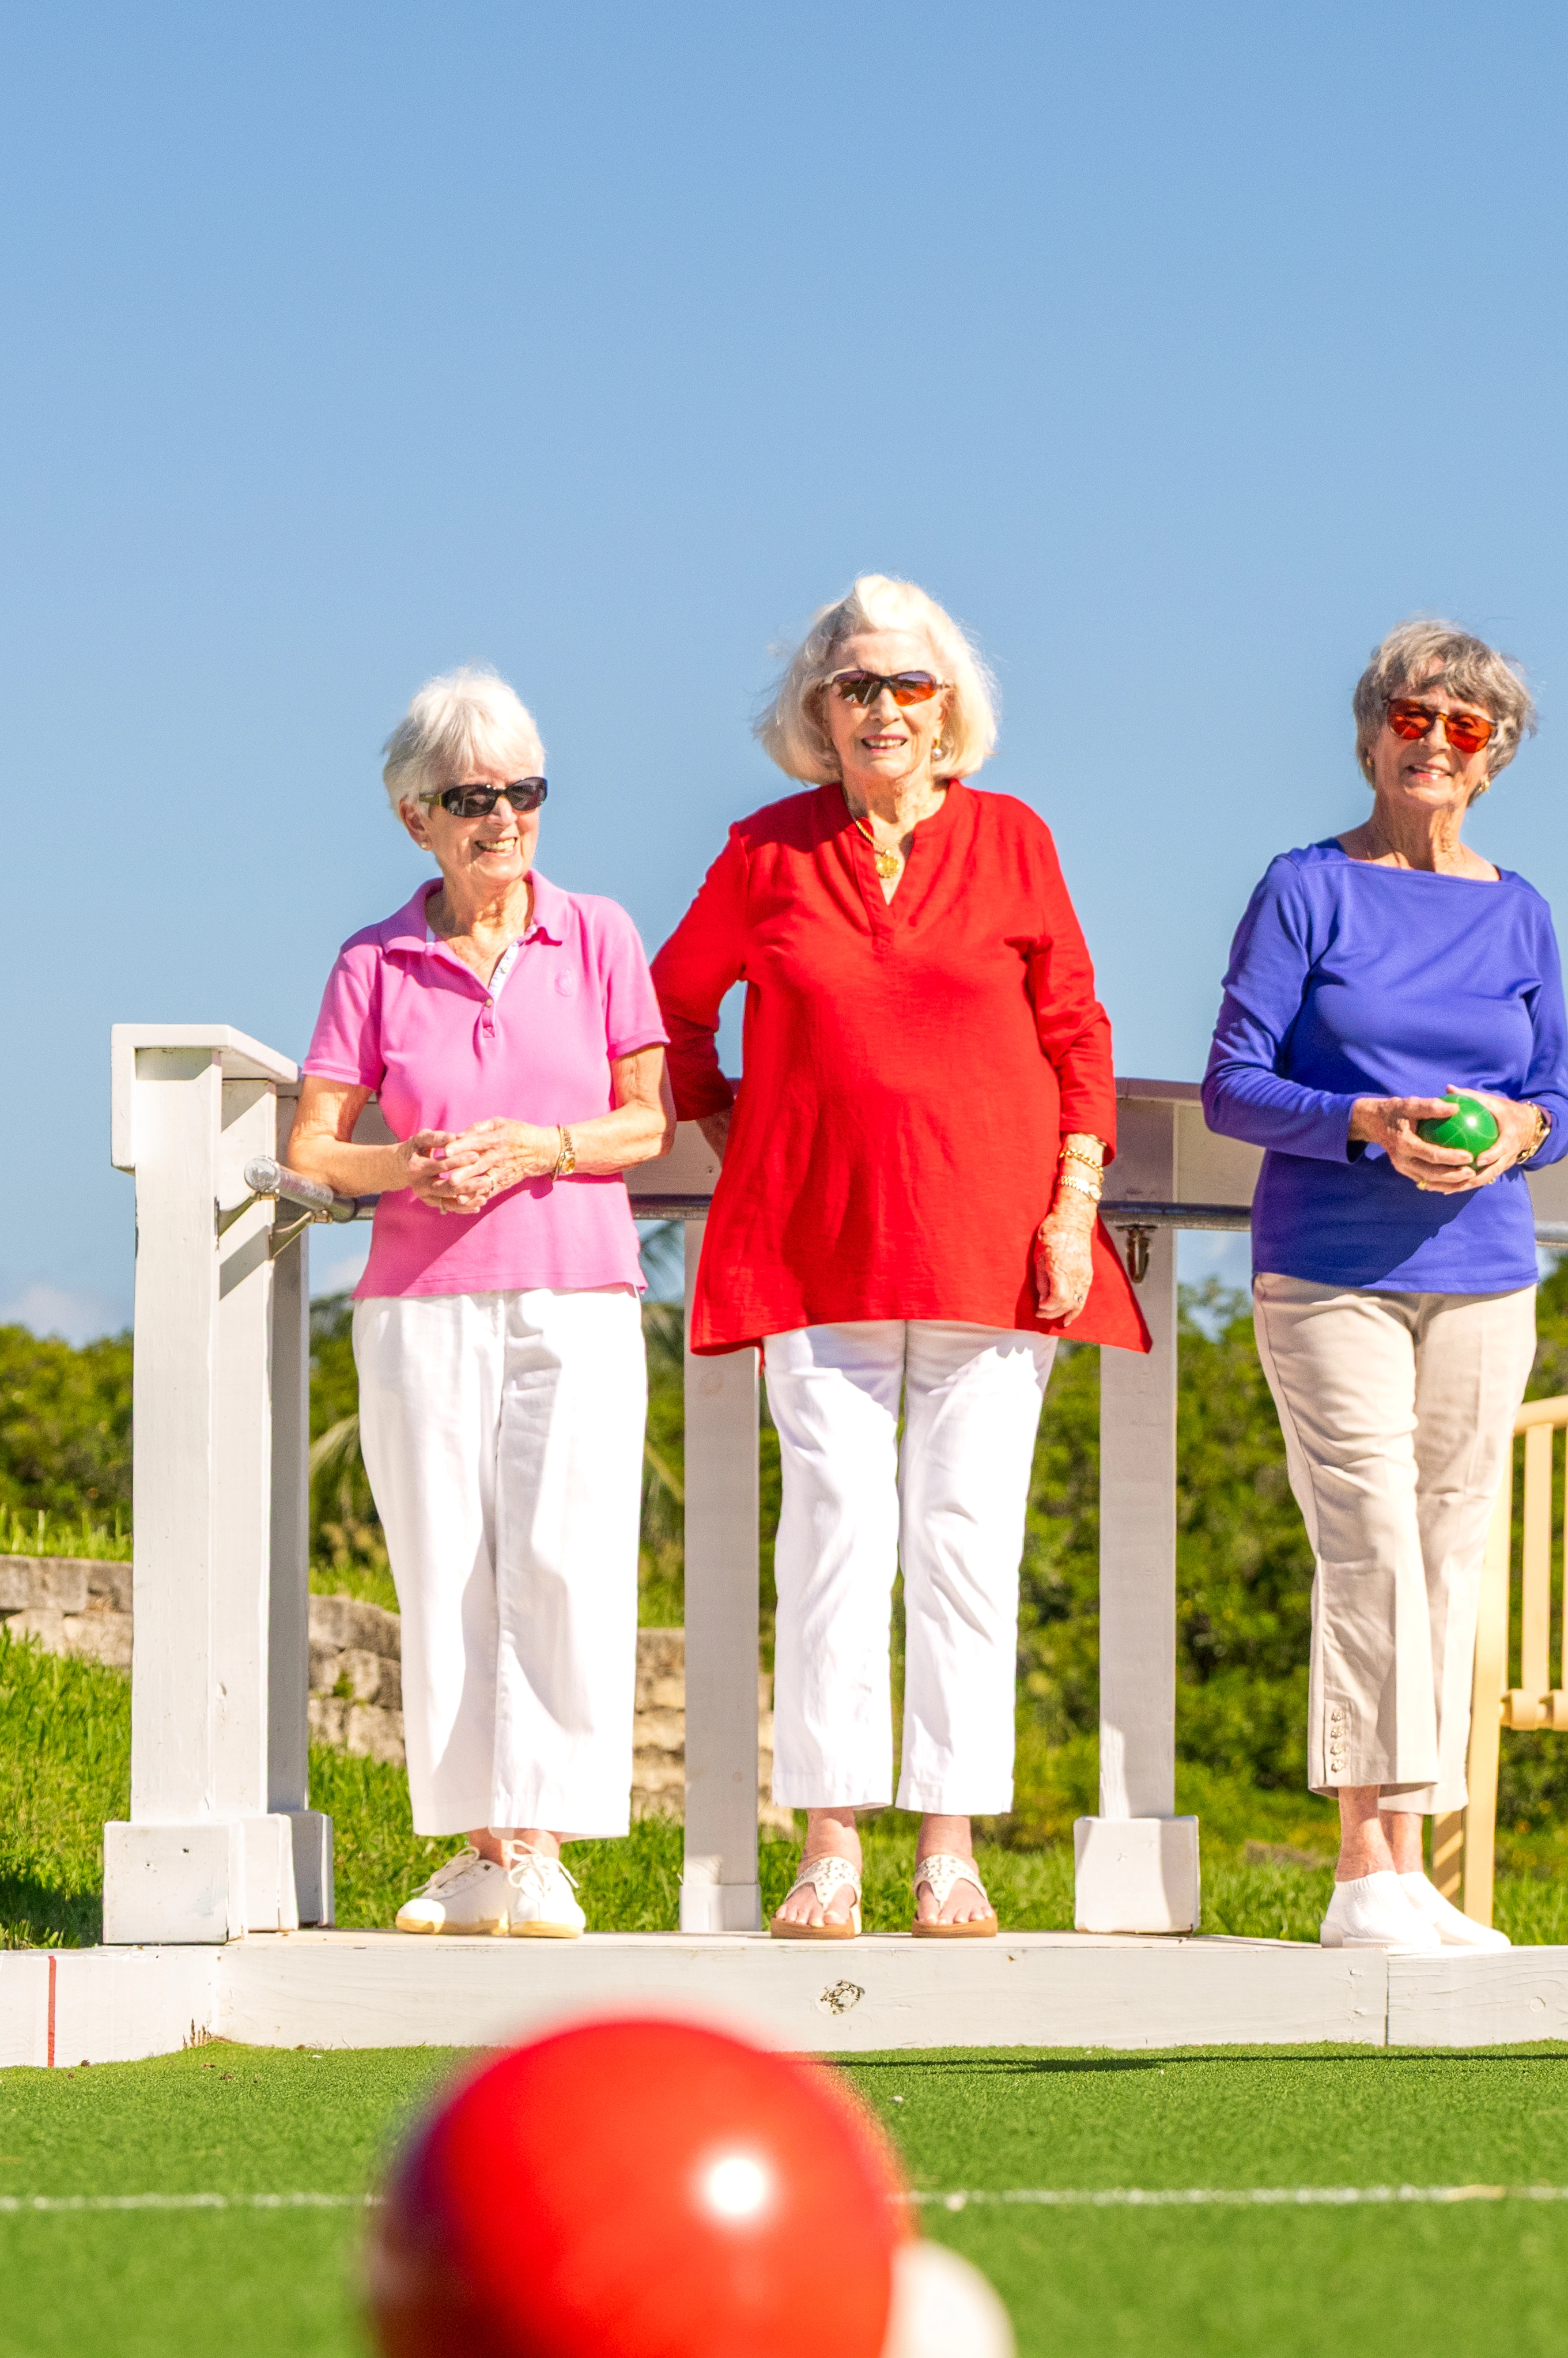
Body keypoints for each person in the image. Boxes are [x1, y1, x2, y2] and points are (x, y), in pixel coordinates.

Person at [655, 577, 1149, 1941]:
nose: (883, 708)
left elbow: (1075, 1034)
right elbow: (675, 1007)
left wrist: (1071, 1207)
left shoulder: (1013, 838)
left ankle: (948, 1843)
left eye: (907, 685)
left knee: (965, 1545)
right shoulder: (763, 852)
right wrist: (728, 1129)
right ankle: (829, 1843)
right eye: (857, 686)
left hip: (996, 1247)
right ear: (818, 708)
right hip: (814, 1252)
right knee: (831, 1540)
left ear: (950, 708)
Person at [1204, 622, 1568, 1955]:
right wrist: (1370, 1122)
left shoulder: (1519, 907)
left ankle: (1412, 1870)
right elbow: (1234, 1084)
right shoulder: (1307, 888)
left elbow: (1556, 1098)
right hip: (1328, 1270)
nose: (1433, 741)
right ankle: (1362, 1865)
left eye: (1463, 728)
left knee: (1447, 1555)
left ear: (1494, 760)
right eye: (1411, 717)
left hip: (1483, 1272)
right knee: (1365, 1539)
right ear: (1369, 737)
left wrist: (1521, 1135)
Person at [289, 666, 672, 1941]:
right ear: (417, 818)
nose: (502, 820)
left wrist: (542, 1149)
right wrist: (410, 1164)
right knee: (445, 1569)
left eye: (523, 793)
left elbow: (643, 1120)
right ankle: (479, 1847)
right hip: (418, 1301)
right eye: (471, 798)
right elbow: (310, 1152)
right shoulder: (375, 960)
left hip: (577, 1292)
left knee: (565, 1562)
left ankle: (545, 1848)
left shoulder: (602, 935)